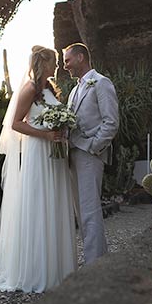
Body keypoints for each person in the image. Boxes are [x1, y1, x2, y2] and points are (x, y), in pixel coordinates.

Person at [0, 46, 78, 293]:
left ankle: (58, 270)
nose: (57, 66)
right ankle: (37, 272)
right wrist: (45, 135)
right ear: (43, 63)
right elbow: (15, 123)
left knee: (54, 204)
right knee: (39, 205)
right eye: (54, 62)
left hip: (55, 155)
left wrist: (61, 132)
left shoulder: (48, 88)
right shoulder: (29, 89)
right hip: (39, 152)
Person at [63, 43, 118, 265]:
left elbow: (111, 122)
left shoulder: (101, 83)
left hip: (89, 154)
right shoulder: (74, 90)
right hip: (72, 154)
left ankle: (93, 263)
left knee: (89, 210)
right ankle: (100, 259)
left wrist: (93, 147)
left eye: (67, 60)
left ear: (80, 57)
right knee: (81, 212)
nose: (65, 66)